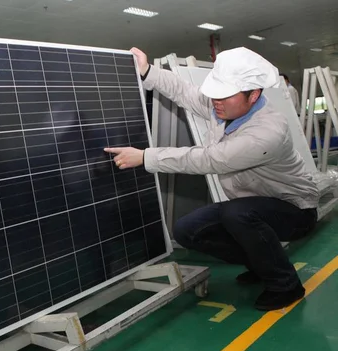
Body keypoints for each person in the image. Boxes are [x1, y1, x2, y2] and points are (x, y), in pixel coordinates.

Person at [105, 47, 319, 311]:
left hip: (294, 210)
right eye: (214, 93)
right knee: (187, 230)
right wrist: (147, 71)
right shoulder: (225, 108)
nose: (215, 101)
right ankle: (263, 264)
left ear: (253, 95)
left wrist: (146, 157)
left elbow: (210, 159)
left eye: (224, 96)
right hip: (251, 205)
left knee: (236, 214)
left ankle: (286, 285)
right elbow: (184, 91)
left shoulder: (267, 132)